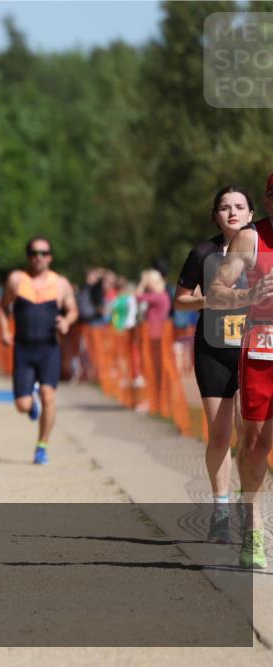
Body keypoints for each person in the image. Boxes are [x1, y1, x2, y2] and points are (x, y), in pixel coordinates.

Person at [175, 185, 254, 543]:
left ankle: (248, 504)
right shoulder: (203, 253)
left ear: (252, 214)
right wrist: (212, 300)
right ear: (214, 216)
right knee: (220, 434)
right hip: (214, 349)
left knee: (251, 436)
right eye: (224, 207)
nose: (232, 213)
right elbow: (181, 301)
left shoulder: (265, 251)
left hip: (254, 349)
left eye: (239, 207)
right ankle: (220, 510)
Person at [209, 173, 273, 569]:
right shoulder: (251, 238)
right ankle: (253, 529)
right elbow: (216, 292)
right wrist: (249, 295)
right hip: (264, 348)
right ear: (269, 199)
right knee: (253, 447)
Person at [0, 236, 78, 465]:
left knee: (49, 396)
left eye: (43, 253)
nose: (38, 258)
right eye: (34, 253)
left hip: (49, 348)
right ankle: (31, 405)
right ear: (28, 256)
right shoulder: (16, 280)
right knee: (22, 406)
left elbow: (72, 310)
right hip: (23, 348)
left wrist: (66, 321)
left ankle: (42, 446)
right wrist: (4, 330)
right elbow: (3, 308)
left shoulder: (61, 284)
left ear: (50, 257)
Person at [134, 269, 172, 413]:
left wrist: (143, 282)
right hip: (155, 336)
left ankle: (157, 400)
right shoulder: (160, 295)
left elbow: (137, 297)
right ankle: (157, 400)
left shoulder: (159, 296)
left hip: (156, 336)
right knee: (155, 370)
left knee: (155, 369)